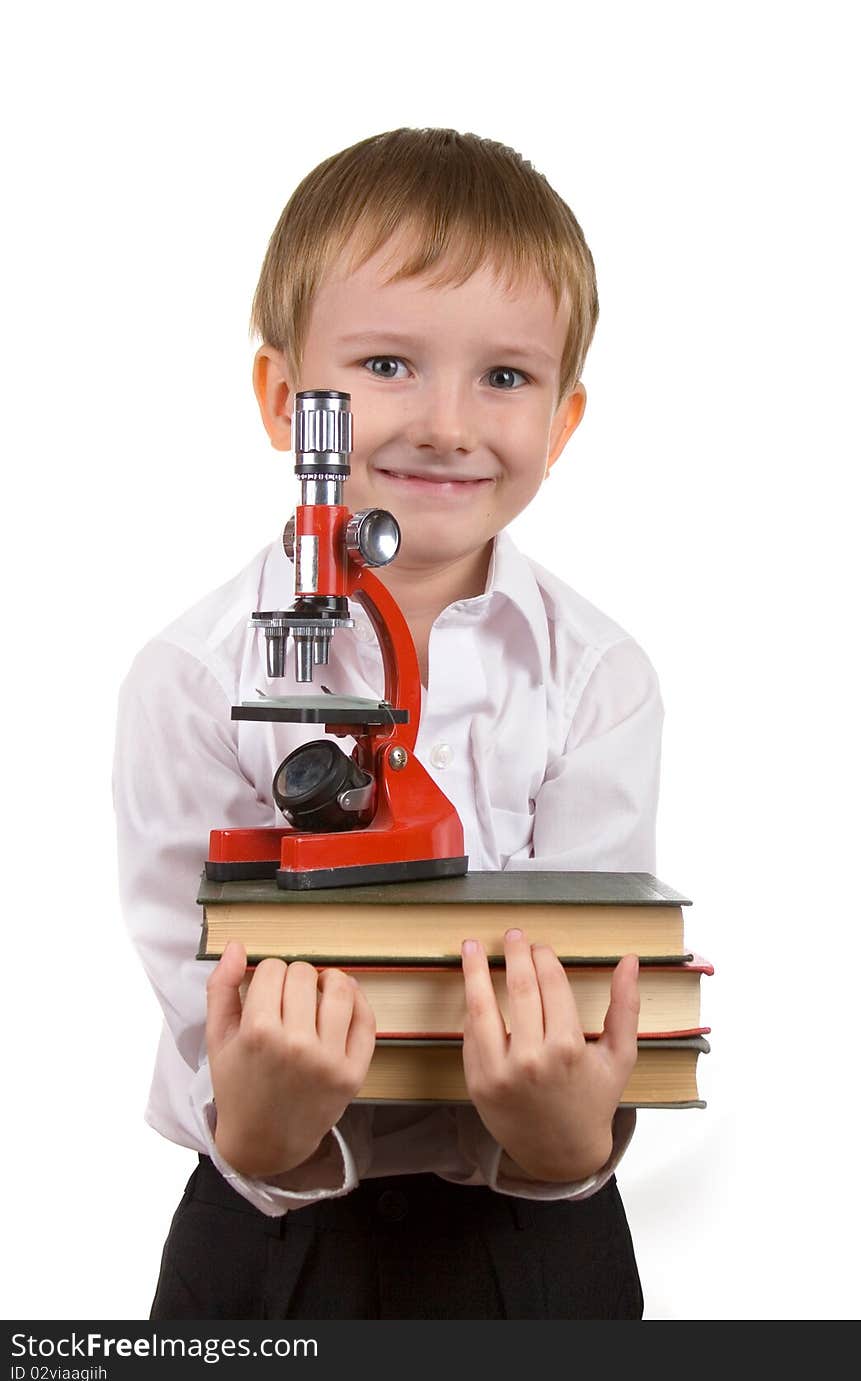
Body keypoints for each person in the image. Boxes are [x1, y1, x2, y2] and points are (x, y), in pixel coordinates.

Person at [113, 127, 663, 1319]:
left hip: (532, 1222)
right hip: (266, 1230)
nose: (447, 423)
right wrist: (260, 1129)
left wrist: (567, 1141)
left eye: (504, 377)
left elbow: (599, 969)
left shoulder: (598, 676)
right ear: (281, 398)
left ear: (564, 422)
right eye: (385, 364)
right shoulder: (189, 674)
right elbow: (188, 972)